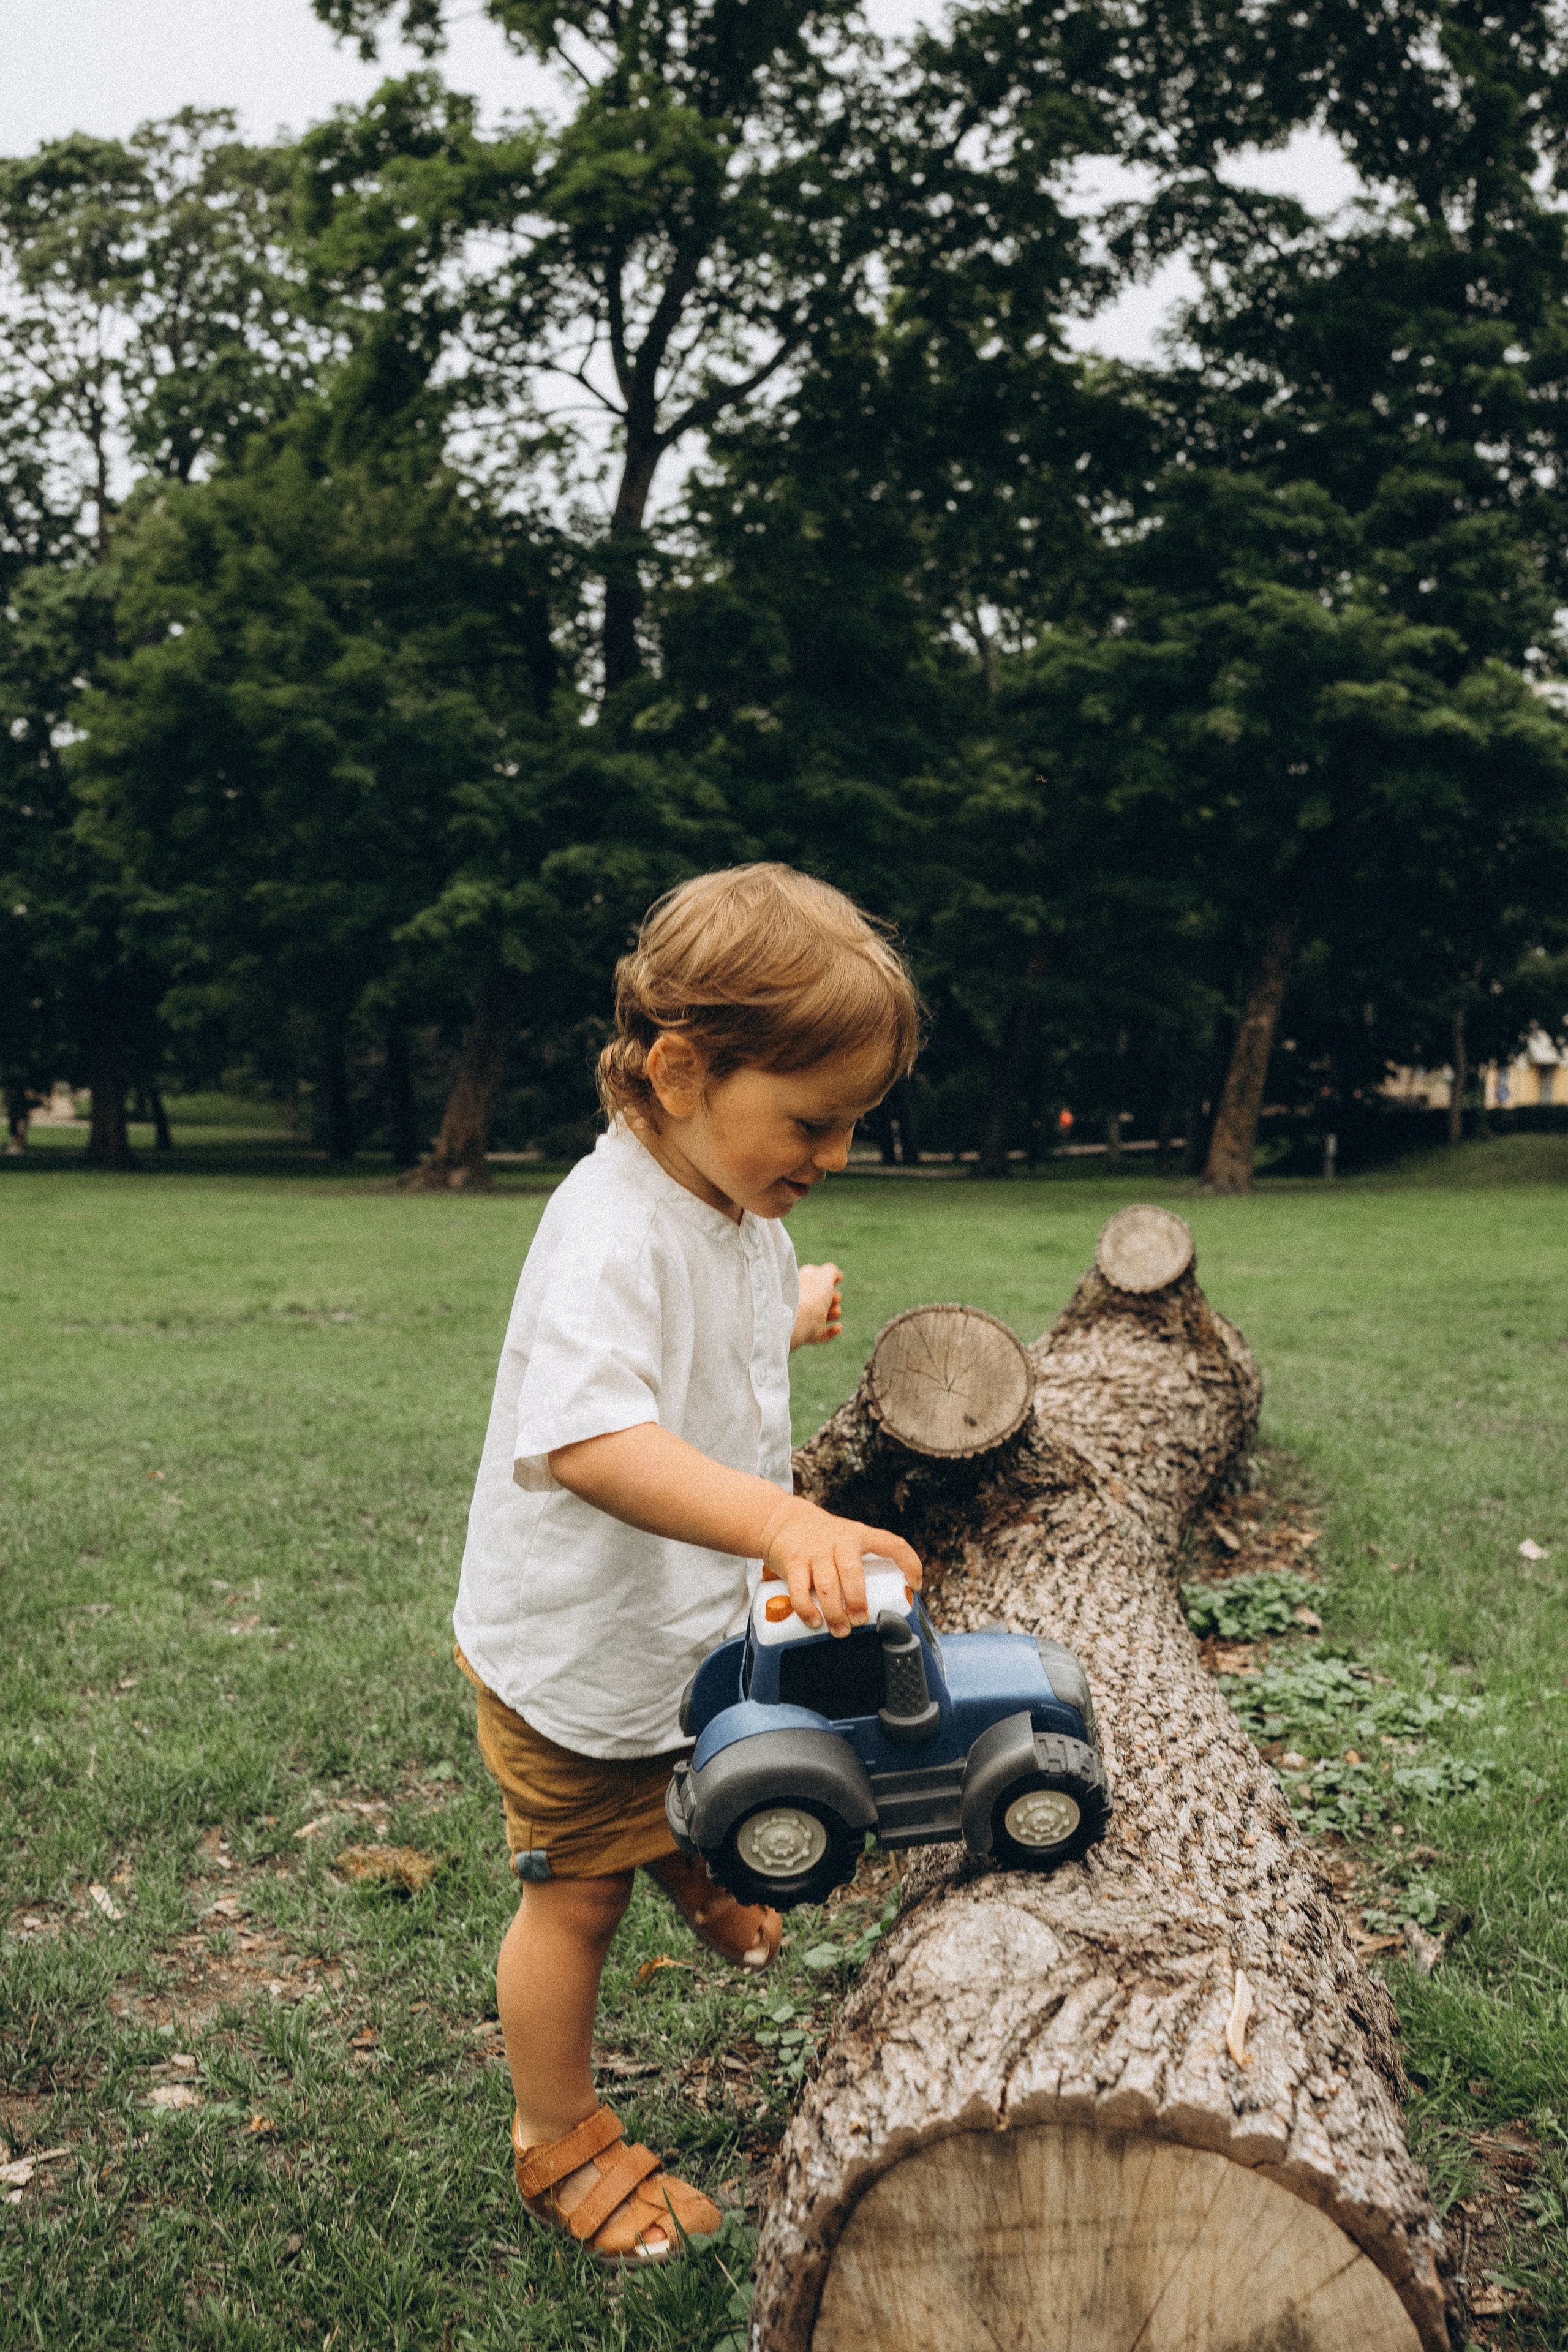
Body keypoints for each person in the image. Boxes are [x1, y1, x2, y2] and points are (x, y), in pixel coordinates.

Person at [452, 863, 924, 2264]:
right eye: (814, 1121)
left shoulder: (731, 1208)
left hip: (673, 1634)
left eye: (853, 1125)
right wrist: (786, 1523)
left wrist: (784, 1307)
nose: (832, 1156)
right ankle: (555, 2136)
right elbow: (598, 1433)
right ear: (677, 1068)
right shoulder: (605, 1230)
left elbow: (698, 1335)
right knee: (573, 1893)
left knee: (687, 1753)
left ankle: (687, 1849)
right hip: (573, 1651)